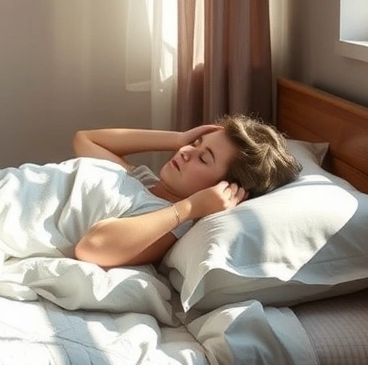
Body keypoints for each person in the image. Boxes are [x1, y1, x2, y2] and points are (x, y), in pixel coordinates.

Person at [71, 115, 300, 268]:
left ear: (227, 189)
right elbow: (85, 139)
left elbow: (92, 247)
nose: (184, 151)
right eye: (196, 142)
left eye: (203, 157)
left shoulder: (170, 222)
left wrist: (190, 207)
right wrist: (176, 138)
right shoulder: (142, 177)